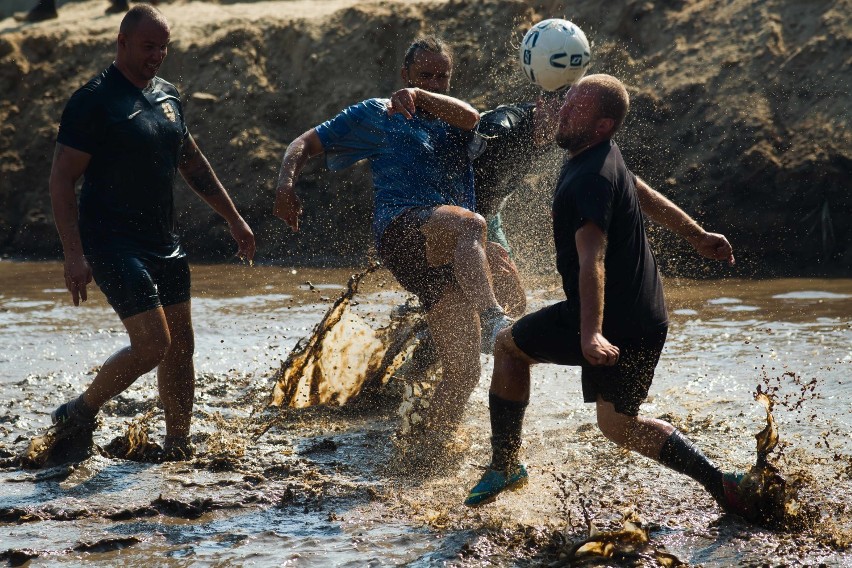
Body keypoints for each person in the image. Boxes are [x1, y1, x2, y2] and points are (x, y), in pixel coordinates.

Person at [464, 74, 751, 519]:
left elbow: (590, 259)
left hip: (608, 320)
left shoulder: (588, 180)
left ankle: (505, 465)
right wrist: (696, 234)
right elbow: (639, 190)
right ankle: (723, 484)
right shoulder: (604, 156)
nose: (562, 111)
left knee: (507, 346)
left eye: (574, 108)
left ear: (601, 125)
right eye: (565, 102)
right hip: (647, 318)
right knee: (618, 424)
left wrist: (591, 332)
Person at [46, 4, 255, 464]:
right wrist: (73, 256)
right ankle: (78, 411)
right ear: (121, 42)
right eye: (148, 46)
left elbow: (193, 163)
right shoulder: (93, 101)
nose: (157, 55)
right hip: (112, 243)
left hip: (165, 242)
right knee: (153, 345)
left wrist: (234, 219)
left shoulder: (167, 96)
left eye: (164, 46)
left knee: (182, 347)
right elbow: (62, 180)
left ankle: (177, 444)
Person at [273, 37, 514, 433]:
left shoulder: (454, 119)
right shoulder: (376, 113)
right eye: (424, 76)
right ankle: (491, 319)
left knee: (465, 372)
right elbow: (303, 143)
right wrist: (285, 186)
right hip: (401, 231)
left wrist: (422, 94)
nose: (434, 83)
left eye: (442, 76)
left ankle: (425, 447)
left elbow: (472, 117)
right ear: (404, 74)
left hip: (443, 255)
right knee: (470, 223)